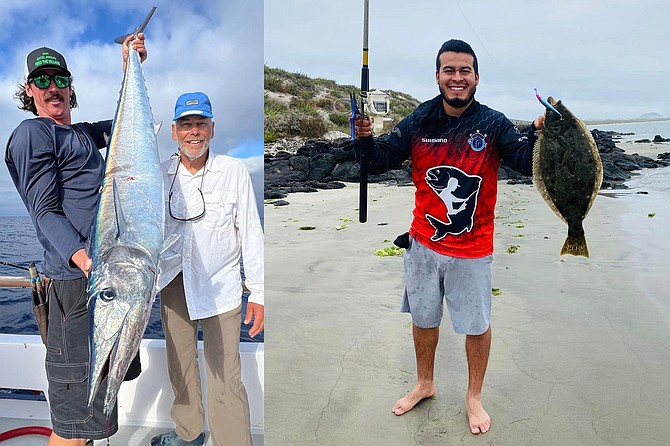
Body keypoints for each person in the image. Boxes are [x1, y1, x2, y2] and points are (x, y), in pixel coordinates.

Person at [355, 39, 544, 435]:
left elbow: (527, 164)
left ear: (476, 76)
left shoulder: (493, 123)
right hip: (423, 243)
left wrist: (544, 135)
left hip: (472, 250)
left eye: (464, 71)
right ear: (438, 75)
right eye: (449, 70)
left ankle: (474, 396)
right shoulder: (419, 120)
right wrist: (364, 138)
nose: (457, 78)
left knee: (475, 325)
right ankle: (425, 382)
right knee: (424, 319)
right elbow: (379, 161)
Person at [4, 37, 147, 446]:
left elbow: (125, 126)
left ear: (70, 86)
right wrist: (85, 259)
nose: (52, 86)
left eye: (59, 78)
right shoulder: (33, 133)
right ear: (29, 90)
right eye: (42, 80)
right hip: (77, 285)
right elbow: (44, 209)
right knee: (74, 418)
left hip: (106, 280)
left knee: (98, 398)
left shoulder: (81, 134)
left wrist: (130, 66)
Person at [150, 92, 264, 446]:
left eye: (201, 123)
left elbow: (250, 231)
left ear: (212, 129)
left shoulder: (233, 171)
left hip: (223, 288)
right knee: (179, 368)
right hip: (172, 284)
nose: (193, 132)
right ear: (174, 131)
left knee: (226, 375)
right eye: (186, 124)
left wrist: (258, 291)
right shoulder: (158, 173)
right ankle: (189, 434)